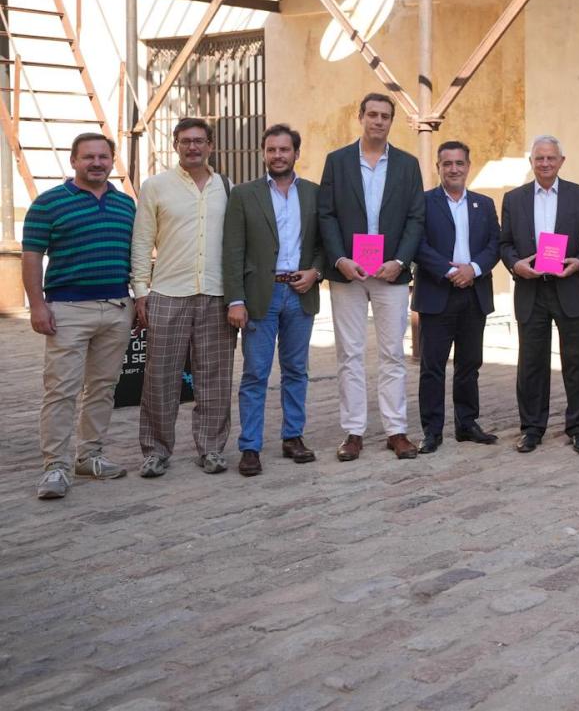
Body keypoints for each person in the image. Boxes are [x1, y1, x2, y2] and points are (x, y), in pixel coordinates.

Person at [24, 134, 137, 499]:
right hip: (67, 310)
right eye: (88, 157)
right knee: (61, 390)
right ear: (73, 161)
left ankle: (89, 456)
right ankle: (54, 466)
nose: (97, 163)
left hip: (118, 308)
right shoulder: (48, 204)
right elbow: (31, 258)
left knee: (103, 389)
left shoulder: (126, 205)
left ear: (111, 161)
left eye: (103, 157)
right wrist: (37, 305)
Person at [318, 93, 426, 461]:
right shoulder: (337, 162)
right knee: (349, 353)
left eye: (386, 116)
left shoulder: (408, 165)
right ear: (360, 116)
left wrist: (400, 260)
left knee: (393, 353)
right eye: (373, 115)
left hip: (389, 272)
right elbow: (326, 215)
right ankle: (354, 432)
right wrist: (339, 258)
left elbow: (416, 218)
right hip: (348, 272)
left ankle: (396, 430)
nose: (379, 121)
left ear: (391, 122)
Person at [132, 117, 237, 478]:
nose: (193, 147)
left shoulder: (227, 187)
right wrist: (141, 291)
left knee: (215, 377)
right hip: (168, 293)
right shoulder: (155, 186)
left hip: (216, 293)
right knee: (160, 377)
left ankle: (210, 448)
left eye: (199, 141)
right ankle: (156, 451)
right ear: (175, 145)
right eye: (185, 141)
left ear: (210, 145)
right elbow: (143, 242)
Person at [223, 123, 323, 476]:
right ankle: (250, 446)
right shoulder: (244, 194)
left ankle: (293, 436)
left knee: (297, 370)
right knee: (255, 373)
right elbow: (232, 250)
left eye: (284, 149)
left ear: (297, 153)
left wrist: (316, 272)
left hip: (300, 292)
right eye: (271, 150)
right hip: (259, 296)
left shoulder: (313, 193)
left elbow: (325, 242)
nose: (278, 155)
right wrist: (235, 299)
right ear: (263, 153)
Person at [501, 135, 579, 454]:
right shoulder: (514, 199)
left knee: (577, 362)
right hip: (531, 290)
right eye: (539, 158)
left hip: (569, 287)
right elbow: (504, 244)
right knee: (531, 363)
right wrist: (516, 265)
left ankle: (578, 428)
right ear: (531, 162)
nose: (545, 163)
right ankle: (532, 428)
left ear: (561, 161)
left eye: (551, 158)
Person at [413, 140, 500, 454]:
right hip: (438, 293)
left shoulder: (484, 204)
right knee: (432, 365)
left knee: (469, 363)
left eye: (459, 163)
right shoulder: (423, 202)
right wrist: (450, 272)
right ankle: (432, 431)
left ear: (468, 166)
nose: (453, 169)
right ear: (438, 167)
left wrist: (473, 269)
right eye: (447, 163)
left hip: (474, 293)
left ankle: (467, 423)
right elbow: (418, 245)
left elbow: (494, 244)